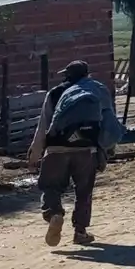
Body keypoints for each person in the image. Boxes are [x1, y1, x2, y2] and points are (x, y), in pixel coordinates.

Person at [28, 60, 120, 247]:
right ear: (87, 74)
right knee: (84, 192)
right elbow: (108, 122)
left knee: (50, 186)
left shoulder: (54, 93)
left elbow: (44, 125)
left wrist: (35, 154)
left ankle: (54, 214)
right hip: (87, 150)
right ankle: (80, 232)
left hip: (56, 149)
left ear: (66, 76)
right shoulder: (97, 91)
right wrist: (108, 148)